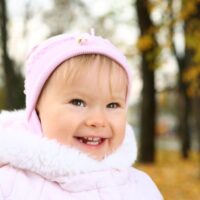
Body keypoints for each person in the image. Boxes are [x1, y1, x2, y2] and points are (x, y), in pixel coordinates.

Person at [0, 31, 163, 199]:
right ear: (37, 107)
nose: (98, 121)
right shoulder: (11, 185)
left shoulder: (140, 188)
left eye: (112, 105)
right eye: (78, 102)